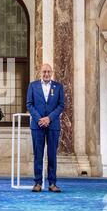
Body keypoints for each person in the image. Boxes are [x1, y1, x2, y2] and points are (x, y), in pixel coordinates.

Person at [26, 64, 64, 193]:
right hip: (37, 126)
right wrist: (40, 119)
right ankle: (37, 183)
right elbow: (29, 104)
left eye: (48, 71)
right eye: (44, 72)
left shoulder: (58, 87)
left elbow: (61, 105)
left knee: (52, 155)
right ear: (40, 72)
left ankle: (52, 183)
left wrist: (49, 118)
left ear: (52, 72)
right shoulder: (33, 86)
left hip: (53, 125)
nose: (46, 74)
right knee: (38, 155)